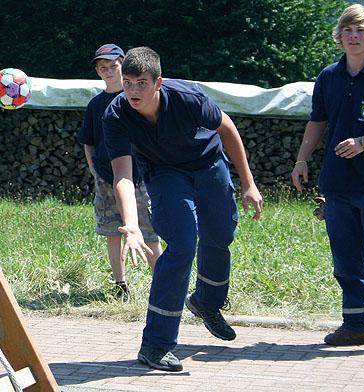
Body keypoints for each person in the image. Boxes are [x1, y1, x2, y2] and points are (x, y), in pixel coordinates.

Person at [103, 47, 263, 373]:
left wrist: (248, 183)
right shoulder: (116, 115)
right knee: (182, 246)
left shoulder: (188, 97)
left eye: (141, 83)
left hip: (208, 164)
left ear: (158, 82)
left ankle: (206, 301)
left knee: (220, 235)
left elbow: (227, 128)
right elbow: (122, 174)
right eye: (128, 82)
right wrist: (131, 225)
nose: (133, 91)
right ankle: (156, 345)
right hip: (164, 173)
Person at [291, 4, 364, 355]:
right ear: (339, 36)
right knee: (346, 258)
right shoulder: (328, 77)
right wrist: (301, 159)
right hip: (337, 184)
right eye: (347, 30)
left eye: (361, 30)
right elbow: (317, 122)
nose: (353, 36)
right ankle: (357, 325)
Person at [77, 43, 161, 301]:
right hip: (106, 177)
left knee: (149, 232)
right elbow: (87, 140)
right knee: (112, 232)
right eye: (103, 68)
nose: (108, 71)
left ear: (123, 66)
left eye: (113, 66)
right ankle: (120, 284)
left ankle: (164, 284)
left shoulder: (136, 98)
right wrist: (93, 167)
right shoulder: (95, 104)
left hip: (139, 177)